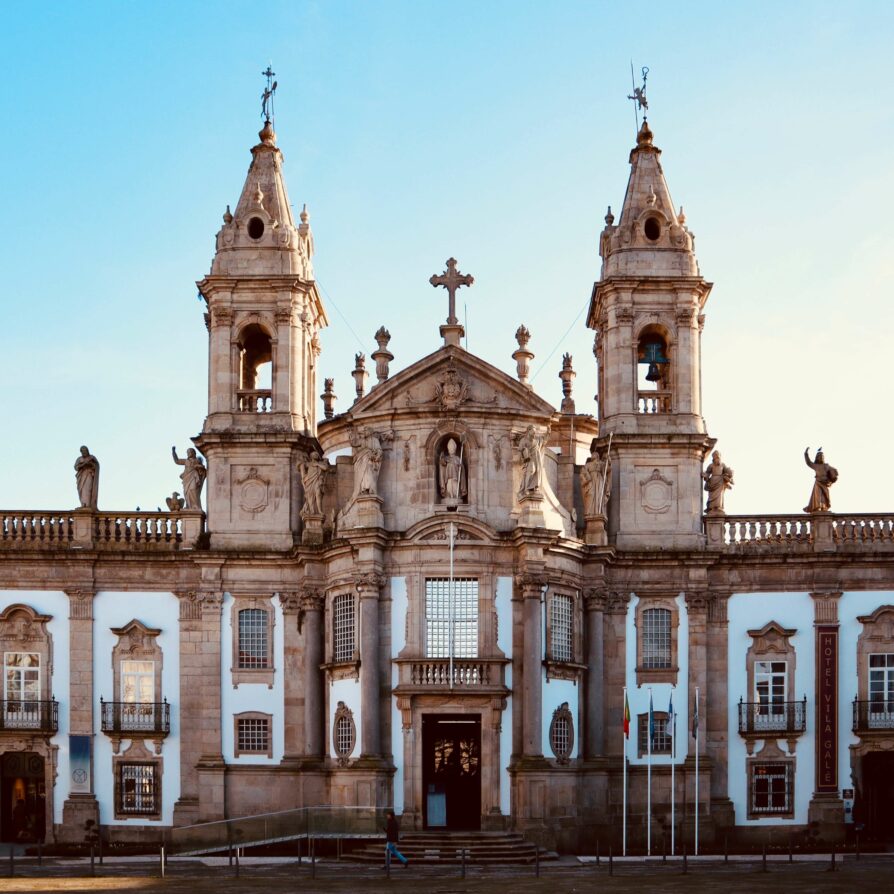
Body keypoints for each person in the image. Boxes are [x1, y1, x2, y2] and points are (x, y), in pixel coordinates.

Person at [803, 447, 838, 513]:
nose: (820, 457)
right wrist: (806, 453)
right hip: (818, 482)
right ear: (817, 457)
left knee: (824, 496)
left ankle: (823, 507)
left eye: (822, 456)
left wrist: (834, 475)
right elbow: (808, 462)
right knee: (818, 496)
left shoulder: (826, 465)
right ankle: (818, 507)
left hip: (825, 483)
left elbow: (833, 471)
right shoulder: (815, 465)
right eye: (819, 456)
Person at [172, 446, 207, 511]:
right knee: (187, 492)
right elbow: (177, 461)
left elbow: (202, 469)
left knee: (193, 490)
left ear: (194, 453)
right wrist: (173, 452)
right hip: (186, 478)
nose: (189, 453)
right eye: (188, 452)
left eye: (190, 451)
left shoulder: (197, 460)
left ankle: (196, 506)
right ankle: (189, 506)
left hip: (194, 476)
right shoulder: (186, 461)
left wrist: (198, 466)